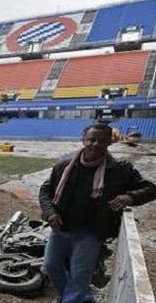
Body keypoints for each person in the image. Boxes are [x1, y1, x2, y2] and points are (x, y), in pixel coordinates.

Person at [39, 123, 156, 303]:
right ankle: (73, 297)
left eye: (101, 141)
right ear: (83, 140)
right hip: (60, 228)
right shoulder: (64, 165)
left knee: (80, 275)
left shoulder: (118, 170)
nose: (94, 144)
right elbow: (45, 191)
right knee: (51, 266)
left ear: (109, 142)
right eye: (91, 140)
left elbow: (150, 189)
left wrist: (130, 197)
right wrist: (50, 213)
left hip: (91, 232)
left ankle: (73, 299)